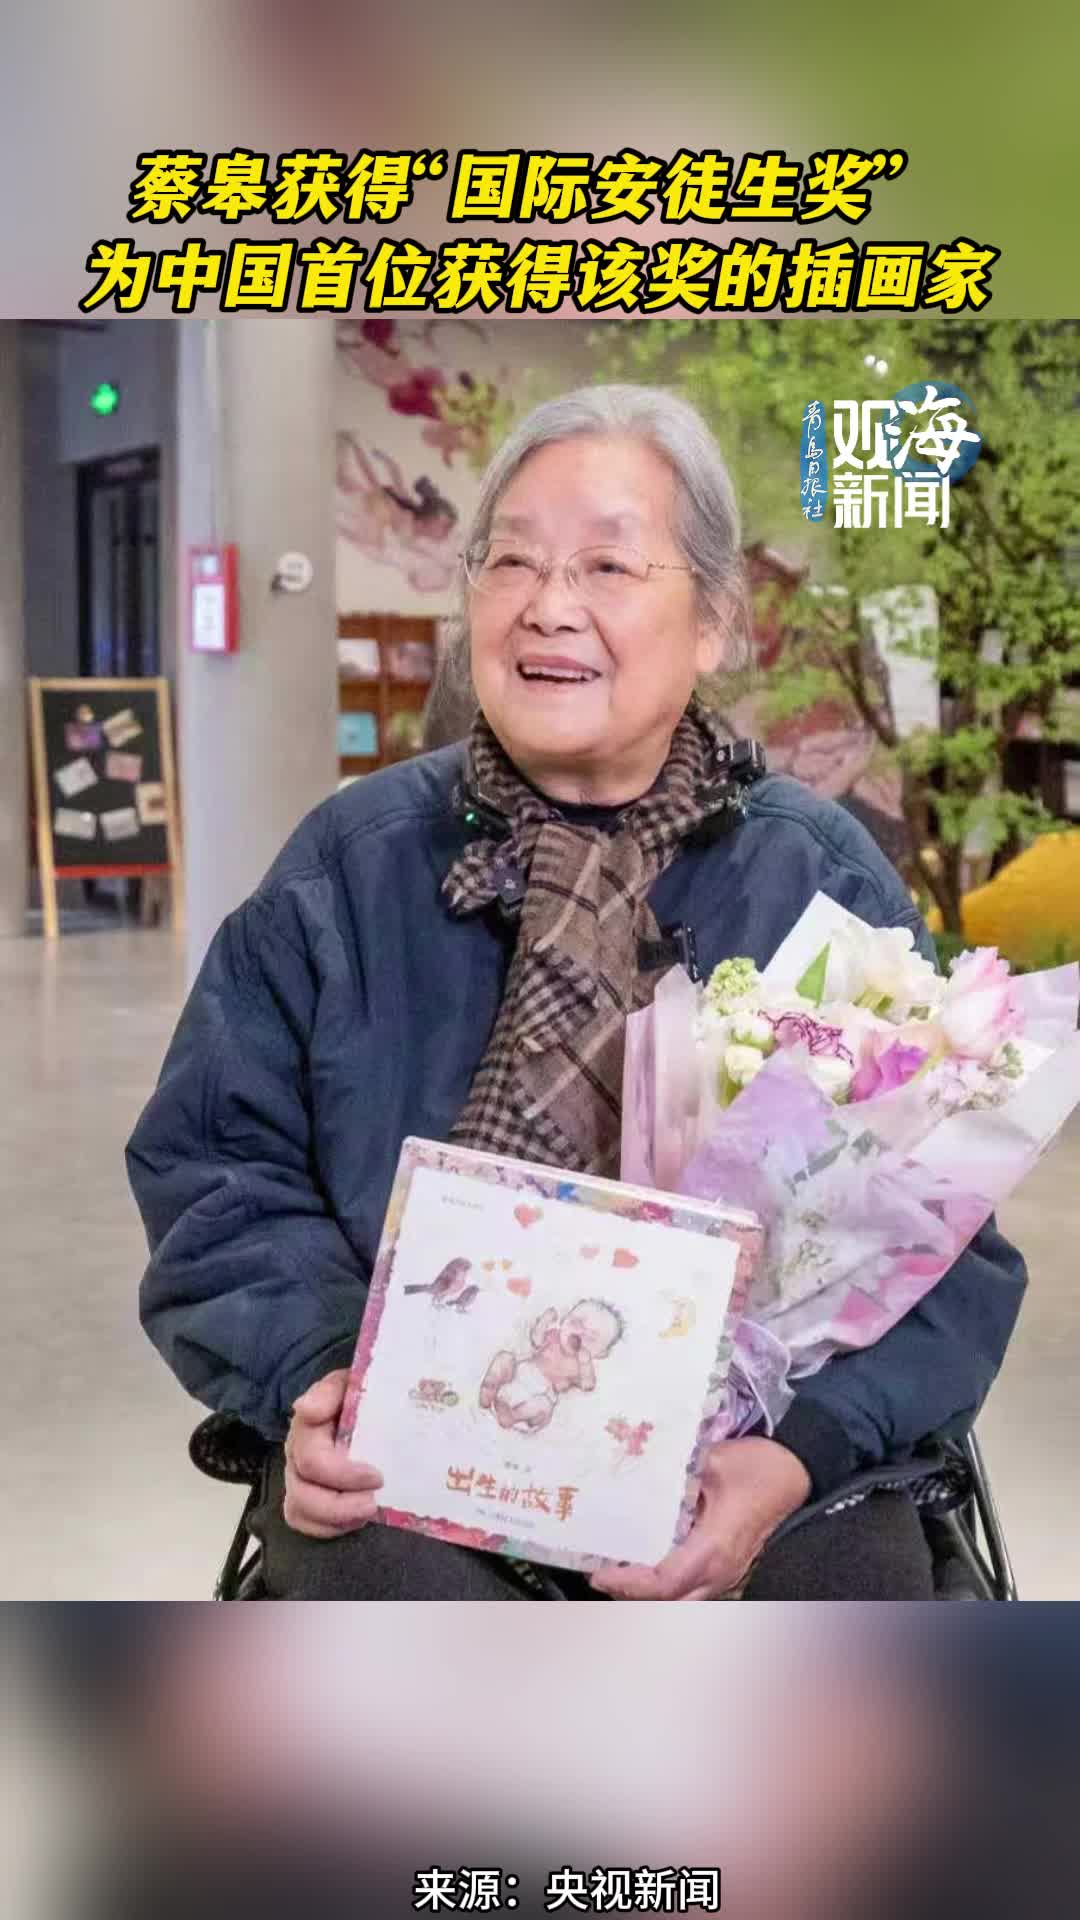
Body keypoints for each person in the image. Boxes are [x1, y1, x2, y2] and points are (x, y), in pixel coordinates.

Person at [128, 384, 1027, 1600]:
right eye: (511, 561)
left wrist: (794, 1458)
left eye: (608, 564)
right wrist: (334, 1371)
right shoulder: (349, 868)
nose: (549, 606)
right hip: (415, 1444)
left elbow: (948, 1245)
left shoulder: (819, 880)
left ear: (714, 622)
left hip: (765, 1460)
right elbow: (215, 1172)